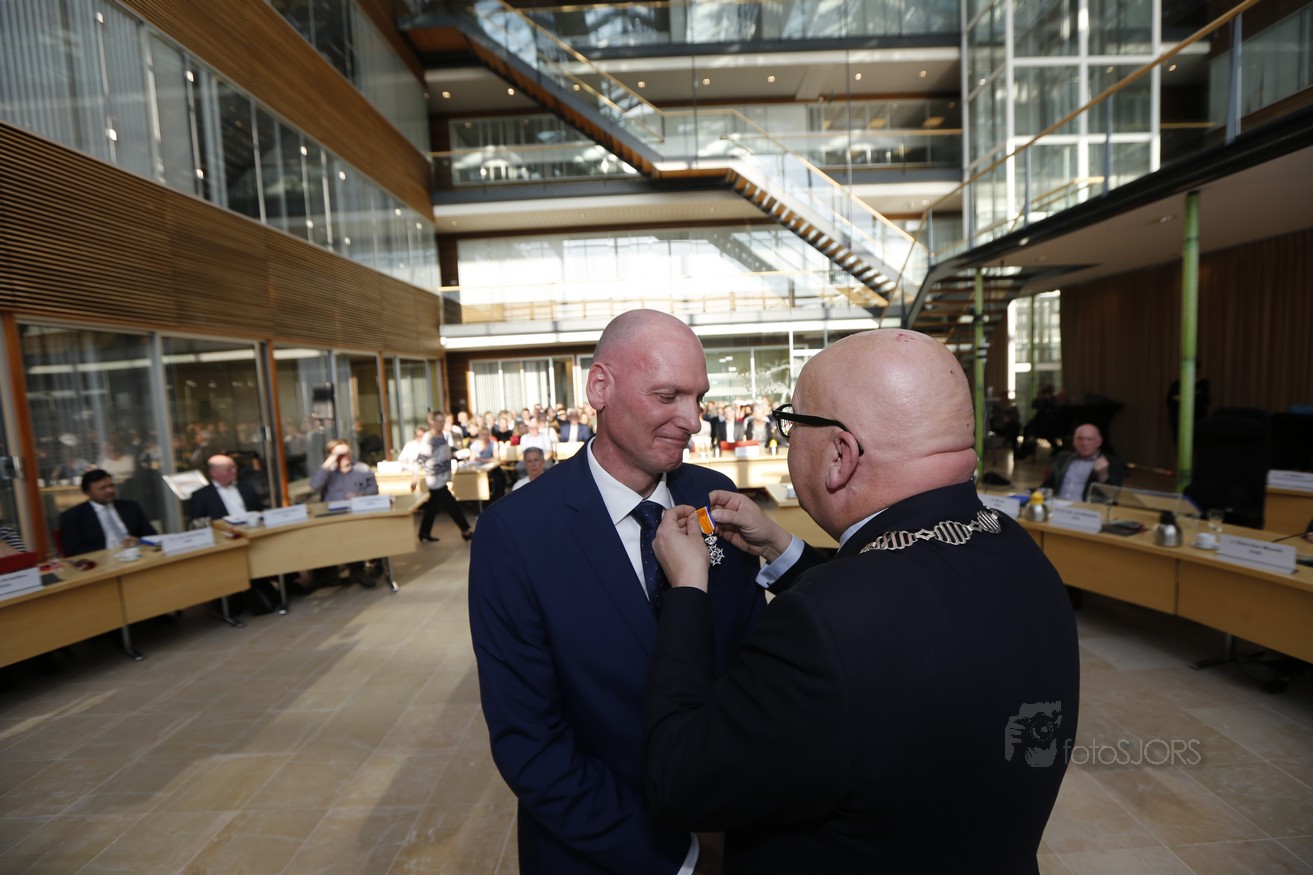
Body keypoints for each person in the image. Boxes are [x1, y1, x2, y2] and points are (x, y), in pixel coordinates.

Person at [644, 328, 1080, 873]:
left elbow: (679, 780)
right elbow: (904, 611)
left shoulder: (823, 625)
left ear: (840, 455)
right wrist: (782, 548)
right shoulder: (1014, 546)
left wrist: (688, 590)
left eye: (792, 424)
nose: (787, 440)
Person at [469, 310, 806, 875]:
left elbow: (753, 663)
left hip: (737, 826)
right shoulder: (516, 533)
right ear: (600, 388)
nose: (693, 421)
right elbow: (530, 741)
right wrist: (681, 858)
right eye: (668, 396)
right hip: (600, 850)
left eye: (699, 398)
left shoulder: (713, 494)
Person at [309, 440, 380, 587]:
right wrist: (330, 460)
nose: (345, 456)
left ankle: (358, 571)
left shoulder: (362, 468)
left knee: (358, 535)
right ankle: (327, 574)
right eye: (340, 454)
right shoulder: (327, 471)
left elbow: (374, 489)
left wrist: (360, 494)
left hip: (357, 514)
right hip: (332, 517)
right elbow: (315, 486)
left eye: (347, 452)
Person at [59, 469, 157, 557]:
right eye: (102, 488)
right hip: (102, 561)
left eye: (111, 486)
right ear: (87, 493)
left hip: (137, 555)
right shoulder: (72, 517)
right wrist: (111, 550)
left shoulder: (131, 507)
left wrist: (138, 540)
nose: (110, 490)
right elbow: (73, 550)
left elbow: (151, 534)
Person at [417, 417, 474, 543]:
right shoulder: (428, 438)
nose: (443, 423)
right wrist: (414, 477)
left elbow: (442, 454)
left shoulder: (442, 435)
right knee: (451, 504)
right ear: (432, 422)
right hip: (434, 478)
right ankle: (465, 530)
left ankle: (424, 532)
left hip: (443, 476)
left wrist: (455, 455)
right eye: (440, 421)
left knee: (432, 506)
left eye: (443, 421)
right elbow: (421, 458)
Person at [1041, 423, 1125, 501]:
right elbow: (1048, 485)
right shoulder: (1063, 457)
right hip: (1058, 504)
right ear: (1074, 442)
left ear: (1099, 442)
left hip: (1086, 508)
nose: (1084, 443)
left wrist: (1103, 475)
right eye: (1080, 439)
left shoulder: (1112, 462)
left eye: (1090, 439)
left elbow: (1113, 496)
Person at [190, 454, 264, 521]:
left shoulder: (246, 487)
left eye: (234, 467)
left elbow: (260, 510)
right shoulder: (201, 495)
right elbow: (199, 521)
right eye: (228, 469)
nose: (234, 471)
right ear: (213, 473)